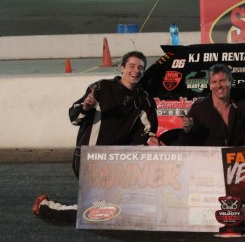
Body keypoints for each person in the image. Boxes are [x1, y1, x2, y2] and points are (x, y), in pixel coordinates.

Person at [33, 51, 160, 221]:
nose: (136, 71)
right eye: (131, 66)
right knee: (99, 210)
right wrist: (86, 107)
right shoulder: (101, 88)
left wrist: (151, 139)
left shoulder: (144, 99)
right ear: (122, 68)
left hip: (119, 162)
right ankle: (45, 208)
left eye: (140, 68)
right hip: (90, 157)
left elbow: (147, 131)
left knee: (110, 209)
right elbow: (74, 118)